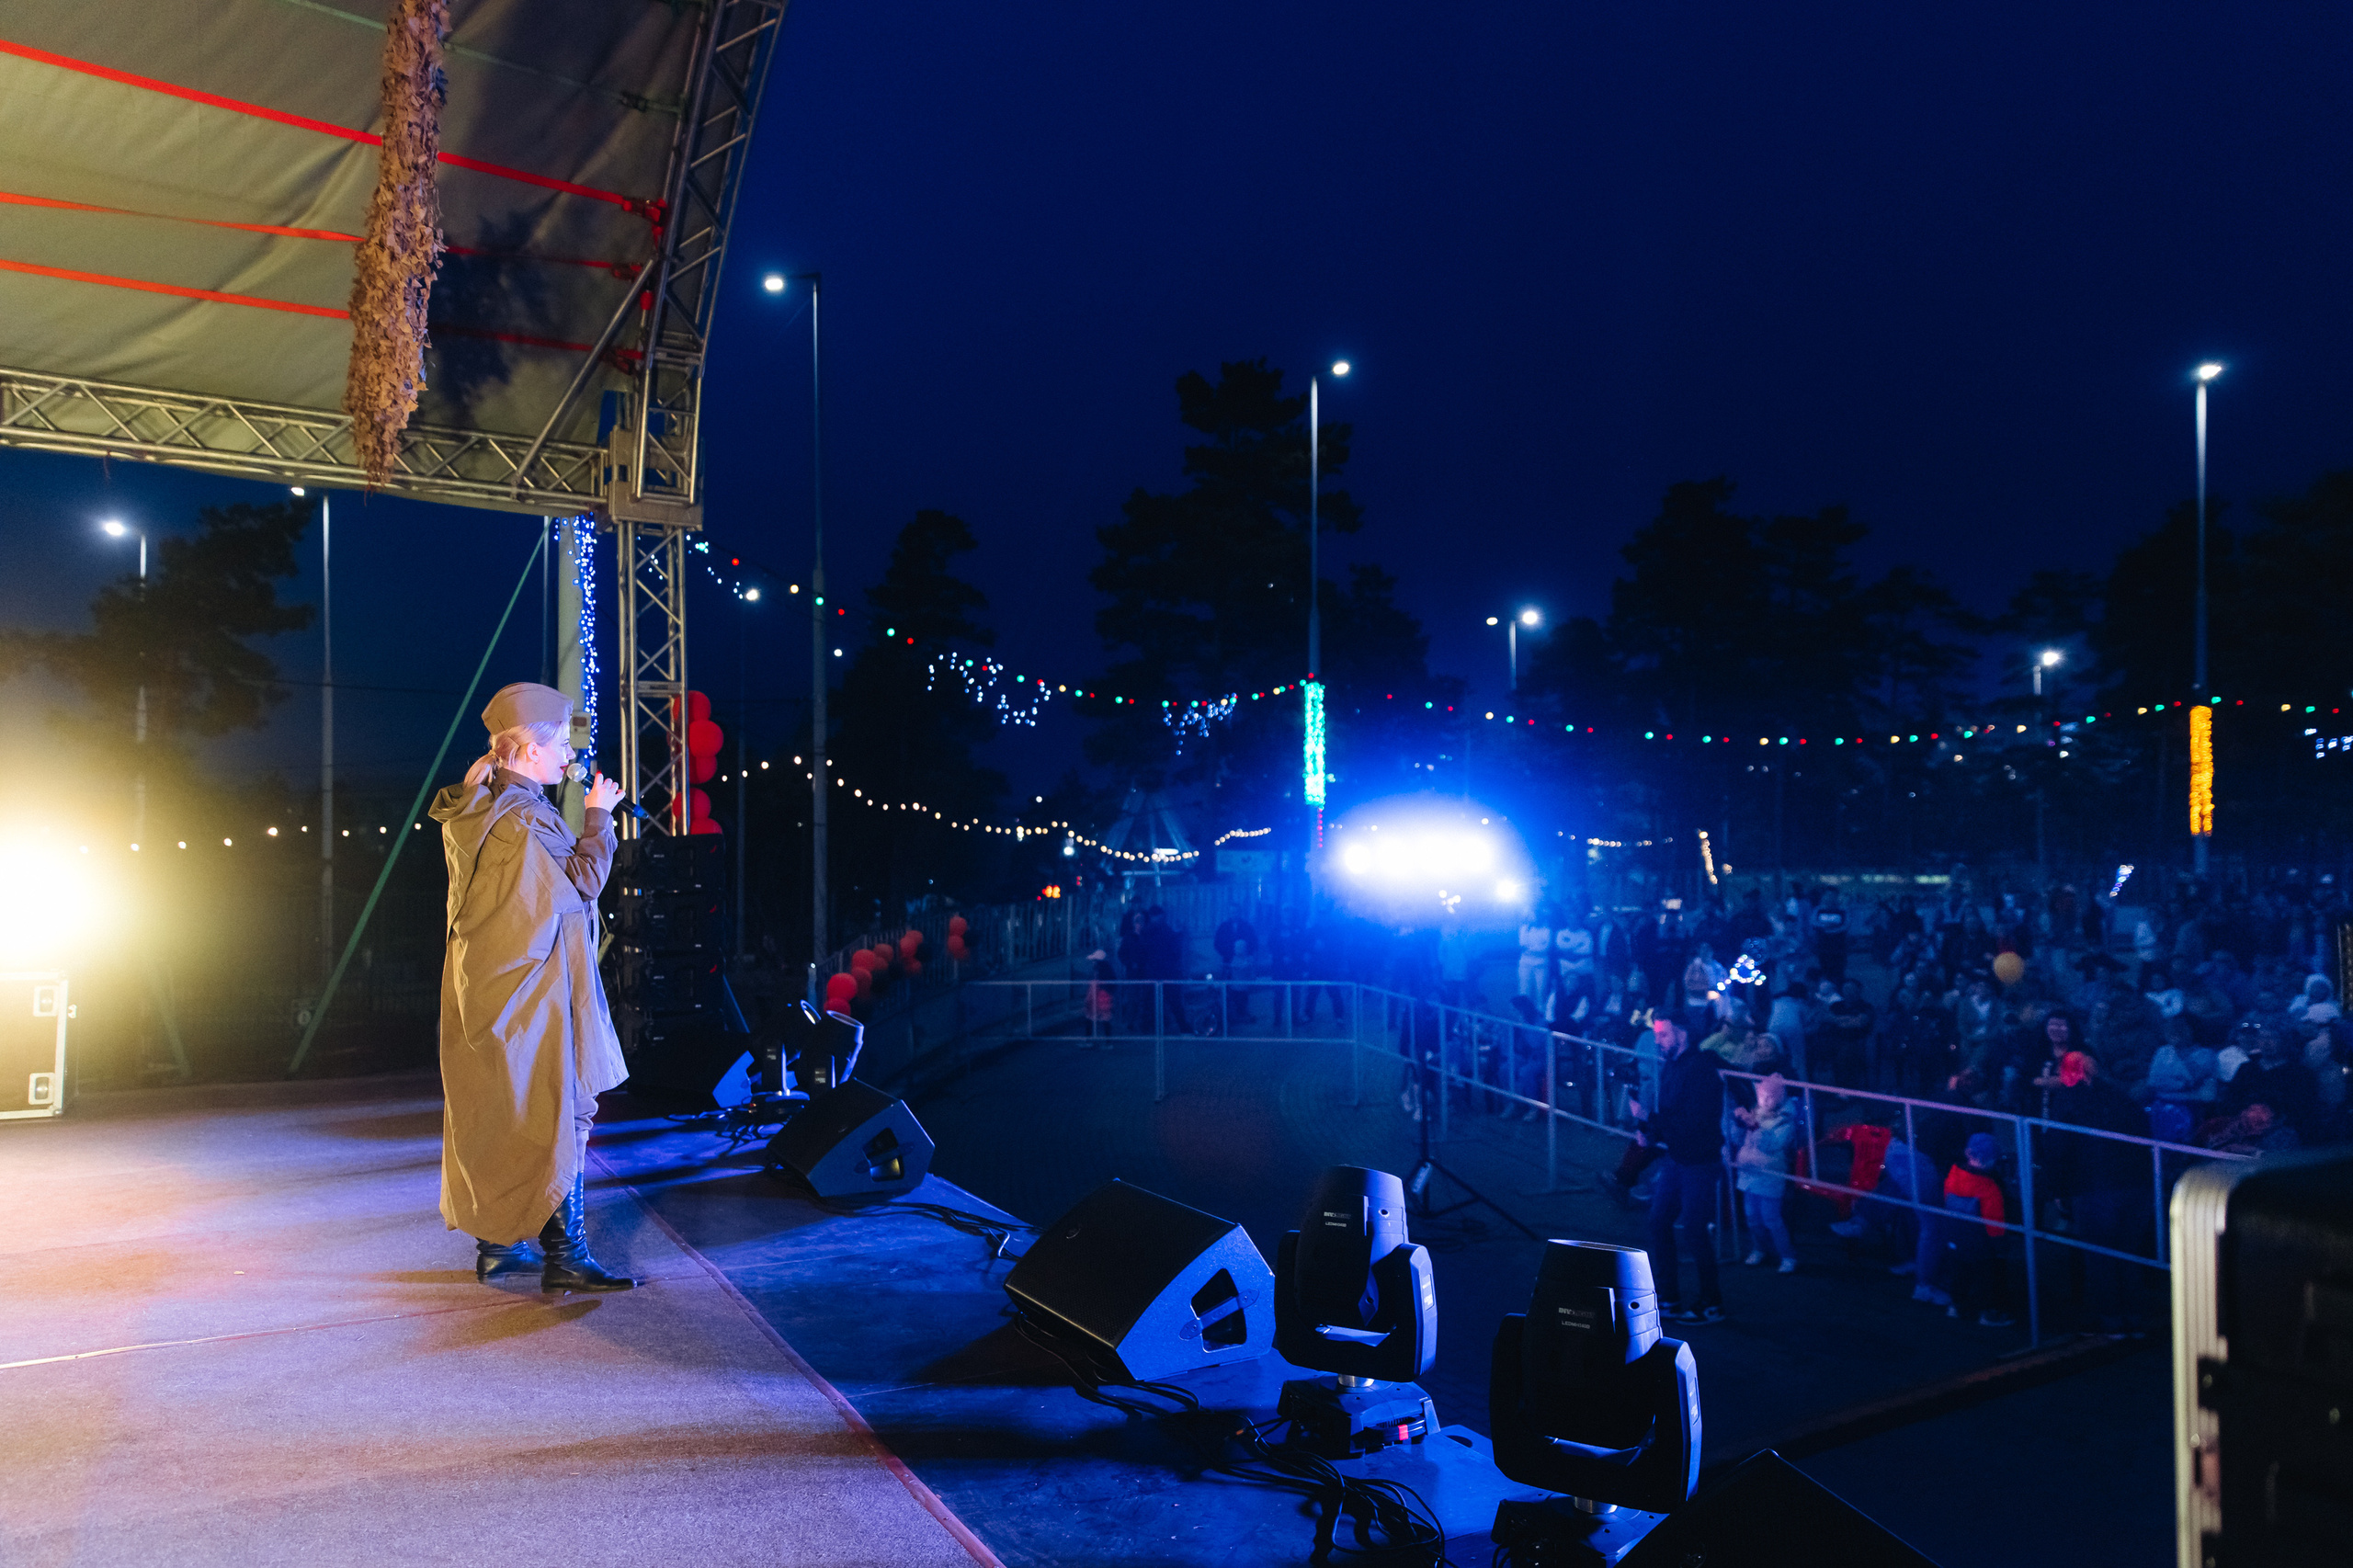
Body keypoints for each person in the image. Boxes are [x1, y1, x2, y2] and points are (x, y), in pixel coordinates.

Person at [432, 681, 636, 1291]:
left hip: (494, 986)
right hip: (533, 991)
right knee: (560, 1110)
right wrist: (598, 816)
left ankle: (499, 1246)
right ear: (527, 751)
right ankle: (566, 1255)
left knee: (507, 1110)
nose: (570, 756)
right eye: (561, 745)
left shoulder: (482, 811)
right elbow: (582, 881)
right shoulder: (521, 820)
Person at [1633, 1016, 1727, 1324]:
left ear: (1682, 1034)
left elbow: (1693, 1121)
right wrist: (1650, 1128)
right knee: (1660, 1221)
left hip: (1699, 1161)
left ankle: (1711, 1302)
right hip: (1679, 1157)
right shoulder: (1674, 1066)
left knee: (1694, 1230)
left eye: (1663, 1034)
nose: (1657, 1040)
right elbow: (1673, 1115)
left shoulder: (1699, 1069)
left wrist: (1649, 1120)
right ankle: (1669, 1297)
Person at [1940, 1133, 2017, 1327]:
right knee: (1987, 1278)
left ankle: (1956, 1307)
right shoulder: (1990, 1187)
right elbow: (1994, 1223)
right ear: (1991, 1159)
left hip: (1955, 1237)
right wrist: (2001, 1246)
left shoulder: (1953, 1174)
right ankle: (1988, 1314)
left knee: (1959, 1274)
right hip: (1981, 1244)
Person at [1733, 1074, 1801, 1272]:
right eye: (1762, 1095)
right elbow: (1739, 1139)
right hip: (1749, 1173)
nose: (1765, 1100)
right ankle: (1759, 1249)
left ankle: (1787, 1255)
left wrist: (1754, 1126)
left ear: (1780, 1097)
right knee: (1751, 1217)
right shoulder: (1756, 1113)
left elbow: (1772, 1145)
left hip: (1770, 1176)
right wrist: (1738, 1123)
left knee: (1772, 1218)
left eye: (1771, 1096)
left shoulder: (1785, 1121)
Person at [1213, 914, 1259, 1024]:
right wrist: (1226, 954)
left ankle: (1241, 1011)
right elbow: (1217, 943)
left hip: (1243, 971)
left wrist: (1248, 955)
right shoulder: (1224, 926)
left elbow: (1253, 942)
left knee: (1242, 993)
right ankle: (1228, 1012)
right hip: (1228, 960)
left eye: (1236, 912)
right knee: (1228, 990)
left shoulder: (1247, 926)